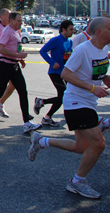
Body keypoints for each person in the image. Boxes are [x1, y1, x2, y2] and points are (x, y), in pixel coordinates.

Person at [28, 17, 110, 199]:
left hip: (88, 102)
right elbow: (66, 74)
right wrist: (92, 88)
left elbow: (96, 72)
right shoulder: (83, 50)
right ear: (100, 32)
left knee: (81, 147)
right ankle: (77, 182)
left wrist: (104, 79)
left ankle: (41, 141)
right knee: (99, 144)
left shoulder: (104, 49)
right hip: (76, 102)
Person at [0, 12, 41, 134]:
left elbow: (15, 47)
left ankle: (26, 122)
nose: (21, 23)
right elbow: (0, 49)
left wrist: (20, 59)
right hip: (4, 65)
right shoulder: (7, 32)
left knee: (23, 91)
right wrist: (17, 55)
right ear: (11, 21)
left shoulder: (16, 31)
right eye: (18, 21)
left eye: (21, 21)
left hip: (14, 65)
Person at [34, 20, 75, 127]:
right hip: (55, 72)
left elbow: (69, 57)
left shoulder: (70, 42)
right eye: (71, 29)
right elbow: (42, 51)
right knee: (63, 95)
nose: (73, 31)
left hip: (65, 73)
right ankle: (45, 111)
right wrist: (52, 63)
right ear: (64, 29)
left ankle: (43, 106)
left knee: (68, 95)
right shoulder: (56, 40)